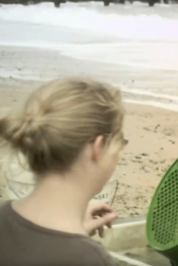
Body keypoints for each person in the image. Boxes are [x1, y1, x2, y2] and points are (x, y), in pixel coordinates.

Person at [0, 77, 127, 266]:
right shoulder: (91, 260)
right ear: (97, 148)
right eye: (120, 144)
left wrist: (76, 232)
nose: (119, 157)